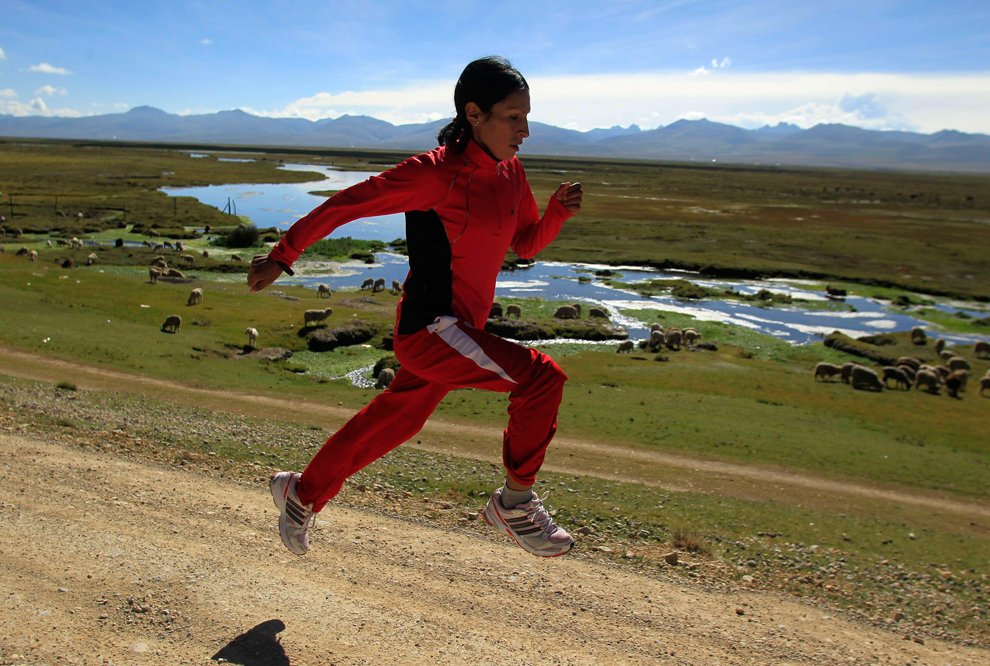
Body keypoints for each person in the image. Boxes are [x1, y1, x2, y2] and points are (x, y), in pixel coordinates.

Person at [249, 56, 583, 558]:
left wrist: (555, 213)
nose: (526, 130)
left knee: (397, 420)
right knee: (541, 378)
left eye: (527, 116)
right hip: (432, 329)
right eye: (514, 117)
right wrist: (283, 255)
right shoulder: (434, 173)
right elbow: (348, 204)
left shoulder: (511, 173)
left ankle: (302, 494)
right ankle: (514, 503)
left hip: (460, 332)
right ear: (474, 113)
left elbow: (526, 245)